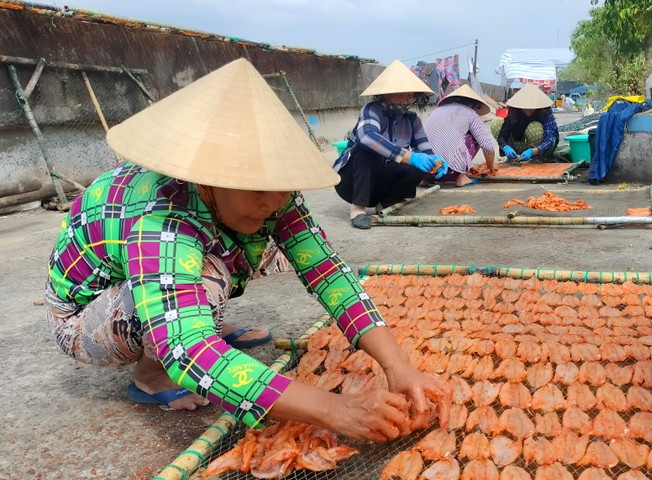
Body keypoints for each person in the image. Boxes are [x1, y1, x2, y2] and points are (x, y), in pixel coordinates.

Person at [44, 59, 447, 443]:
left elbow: (328, 271)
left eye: (281, 188)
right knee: (205, 281)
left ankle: (201, 316)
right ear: (207, 180)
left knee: (273, 247)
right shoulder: (160, 212)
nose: (273, 201)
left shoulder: (273, 192)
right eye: (257, 189)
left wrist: (398, 365)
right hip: (85, 317)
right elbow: (190, 352)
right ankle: (150, 377)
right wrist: (335, 409)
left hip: (155, 275)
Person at [333, 60, 447, 230]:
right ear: (385, 94)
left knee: (417, 167)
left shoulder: (412, 120)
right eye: (400, 94)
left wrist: (434, 161)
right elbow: (367, 137)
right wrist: (409, 156)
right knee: (367, 152)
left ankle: (384, 204)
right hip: (351, 182)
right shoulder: (372, 109)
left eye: (409, 95)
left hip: (381, 182)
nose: (405, 99)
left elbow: (424, 148)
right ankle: (357, 210)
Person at [423, 84, 496, 186]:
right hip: (447, 172)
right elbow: (487, 146)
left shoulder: (436, 111)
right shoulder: (470, 113)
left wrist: (469, 165)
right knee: (474, 138)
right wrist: (490, 167)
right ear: (476, 106)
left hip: (423, 170)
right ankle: (461, 177)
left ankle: (425, 180)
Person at [490, 83, 559, 163]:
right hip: (521, 145)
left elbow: (549, 139)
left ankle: (537, 158)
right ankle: (514, 156)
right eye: (525, 107)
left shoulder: (545, 111)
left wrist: (533, 151)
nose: (528, 110)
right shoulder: (514, 111)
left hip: (541, 148)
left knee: (534, 127)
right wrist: (506, 147)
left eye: (531, 107)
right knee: (497, 122)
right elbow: (502, 136)